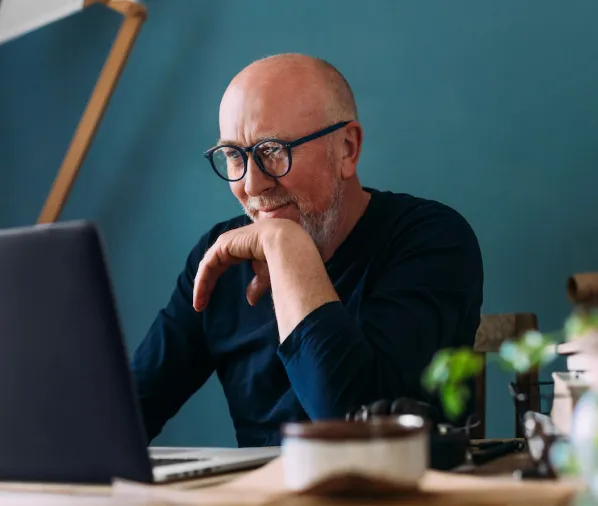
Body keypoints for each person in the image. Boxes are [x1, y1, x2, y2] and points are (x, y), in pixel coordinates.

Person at [130, 53, 484, 448]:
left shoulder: (430, 239)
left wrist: (285, 245)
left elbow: (360, 438)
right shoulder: (220, 260)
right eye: (234, 156)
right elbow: (124, 418)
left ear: (347, 148)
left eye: (271, 150)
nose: (251, 185)